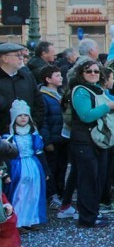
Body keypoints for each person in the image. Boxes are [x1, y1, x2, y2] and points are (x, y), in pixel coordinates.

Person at [68, 59, 114, 228]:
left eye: (96, 71)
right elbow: (86, 115)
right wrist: (107, 107)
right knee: (88, 179)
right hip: (85, 140)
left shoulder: (97, 89)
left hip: (97, 139)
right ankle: (87, 217)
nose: (93, 74)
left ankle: (92, 212)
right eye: (89, 71)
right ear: (81, 74)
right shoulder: (80, 91)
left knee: (98, 178)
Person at [3, 100, 48, 232]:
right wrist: (6, 173)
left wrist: (46, 170)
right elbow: (5, 157)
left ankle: (31, 219)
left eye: (25, 115)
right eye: (20, 115)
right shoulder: (9, 137)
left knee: (34, 194)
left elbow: (40, 153)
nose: (23, 118)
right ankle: (18, 221)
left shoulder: (33, 135)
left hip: (34, 167)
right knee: (20, 194)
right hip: (18, 167)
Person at [38, 65, 69, 216]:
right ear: (48, 79)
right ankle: (52, 195)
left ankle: (60, 192)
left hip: (63, 137)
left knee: (62, 167)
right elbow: (43, 121)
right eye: (57, 75)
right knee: (52, 167)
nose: (61, 78)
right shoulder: (43, 96)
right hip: (53, 138)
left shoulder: (61, 93)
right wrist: (47, 141)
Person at [0, 42, 45, 136]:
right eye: (17, 55)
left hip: (28, 133)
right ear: (5, 58)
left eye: (22, 55)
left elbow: (38, 103)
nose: (22, 58)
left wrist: (33, 124)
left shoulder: (27, 77)